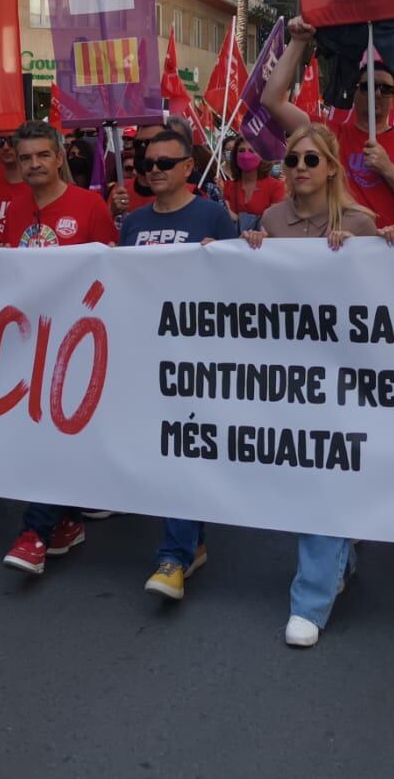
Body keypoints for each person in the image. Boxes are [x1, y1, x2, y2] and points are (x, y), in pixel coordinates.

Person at [241, 123, 387, 647]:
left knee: (323, 473)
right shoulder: (272, 220)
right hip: (287, 371)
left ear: (331, 167)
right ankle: (340, 552)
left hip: (344, 370)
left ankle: (311, 599)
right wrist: (244, 250)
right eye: (292, 161)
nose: (299, 169)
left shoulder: (360, 223)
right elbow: (256, 293)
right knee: (310, 472)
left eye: (310, 160)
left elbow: (382, 303)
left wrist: (359, 258)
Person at [116, 130, 239, 600]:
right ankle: (193, 540)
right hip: (144, 352)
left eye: (166, 162)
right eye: (148, 163)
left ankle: (174, 556)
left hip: (196, 355)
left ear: (190, 167)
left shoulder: (212, 215)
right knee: (165, 451)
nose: (155, 170)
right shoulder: (133, 222)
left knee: (181, 450)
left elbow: (237, 284)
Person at [0, 122, 117, 575]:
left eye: (42, 155)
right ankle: (66, 521)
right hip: (27, 342)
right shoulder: (15, 207)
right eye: (25, 158)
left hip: (78, 342)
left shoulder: (89, 206)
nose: (33, 165)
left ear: (60, 156)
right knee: (38, 433)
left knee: (55, 431)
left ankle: (35, 533)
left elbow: (111, 273)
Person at [262, 17, 394, 233]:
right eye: (367, 87)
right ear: (355, 93)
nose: (376, 93)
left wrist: (388, 168)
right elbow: (272, 101)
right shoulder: (328, 135)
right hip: (340, 252)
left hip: (393, 256)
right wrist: (298, 41)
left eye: (386, 89)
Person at [221, 138, 285, 221]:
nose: (246, 155)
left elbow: (274, 221)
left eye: (251, 151)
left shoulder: (276, 187)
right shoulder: (228, 186)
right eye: (241, 151)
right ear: (235, 156)